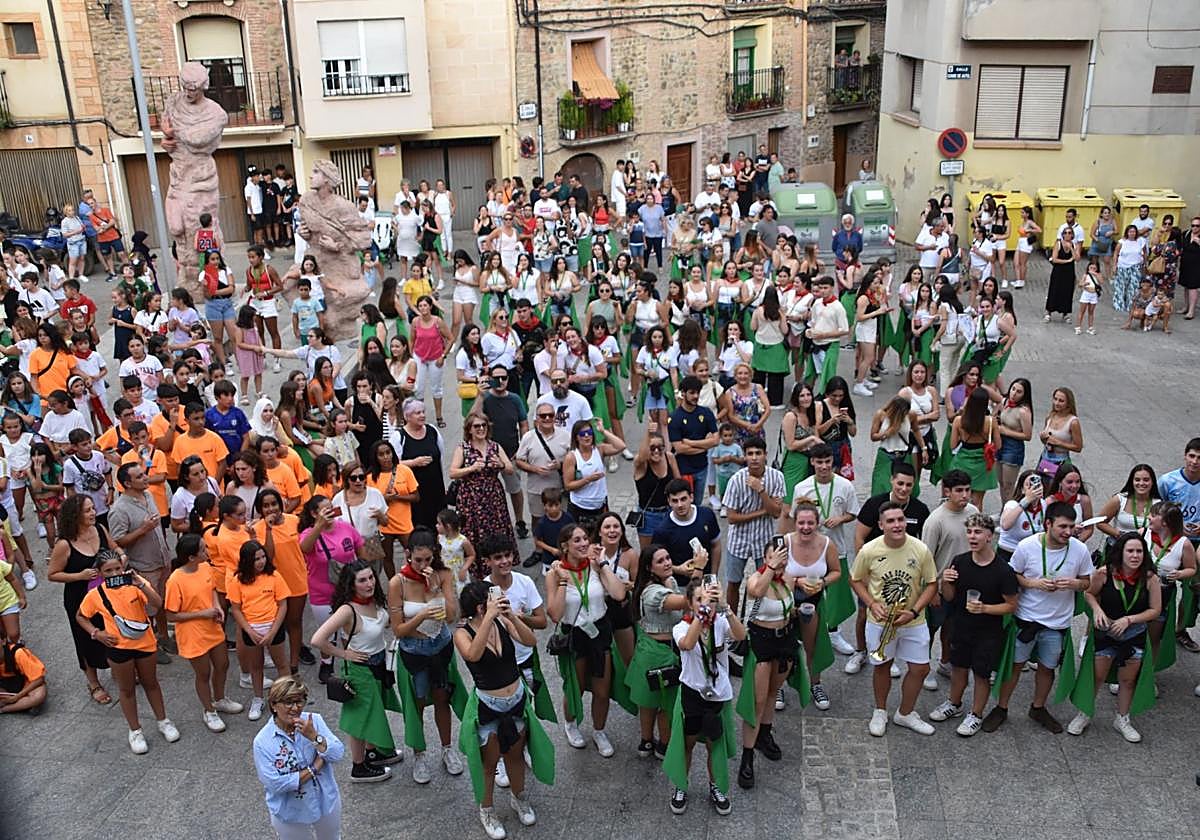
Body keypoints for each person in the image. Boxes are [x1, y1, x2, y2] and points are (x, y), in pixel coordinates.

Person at [984, 501, 1093, 734]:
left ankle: (1038, 707)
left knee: (1047, 667)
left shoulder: (1079, 550)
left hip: (1057, 622)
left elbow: (1087, 581)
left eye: (1071, 526)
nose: (1068, 532)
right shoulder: (1027, 546)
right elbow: (1013, 574)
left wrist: (1075, 584)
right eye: (1063, 526)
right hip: (1027, 618)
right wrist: (1034, 583)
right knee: (1015, 666)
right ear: (1048, 524)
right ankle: (1001, 708)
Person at [454, 580, 551, 838]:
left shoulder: (503, 621)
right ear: (479, 606)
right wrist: (488, 619)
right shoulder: (462, 632)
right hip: (489, 704)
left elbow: (530, 641)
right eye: (491, 599)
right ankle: (486, 809)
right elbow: (473, 655)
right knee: (490, 762)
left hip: (515, 700)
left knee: (515, 755)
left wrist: (512, 617)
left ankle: (518, 797)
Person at [77, 547, 181, 753]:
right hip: (118, 647)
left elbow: (157, 603)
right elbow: (80, 615)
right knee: (126, 689)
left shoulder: (136, 585)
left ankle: (163, 721)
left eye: (117, 569)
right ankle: (135, 730)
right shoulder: (95, 594)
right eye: (108, 571)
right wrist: (96, 633)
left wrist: (140, 583)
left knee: (151, 683)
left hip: (145, 643)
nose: (114, 574)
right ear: (100, 573)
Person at [850, 502, 939, 737]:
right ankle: (880, 711)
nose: (897, 525)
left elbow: (931, 584)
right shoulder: (869, 550)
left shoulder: (920, 549)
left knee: (920, 669)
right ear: (881, 525)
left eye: (900, 519)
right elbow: (856, 579)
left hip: (912, 621)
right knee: (882, 667)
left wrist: (914, 611)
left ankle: (905, 713)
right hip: (880, 622)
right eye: (890, 521)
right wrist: (871, 603)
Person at [926, 514, 1018, 736]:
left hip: (988, 631)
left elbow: (1011, 606)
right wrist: (945, 582)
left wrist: (985, 608)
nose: (972, 536)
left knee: (981, 674)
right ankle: (954, 704)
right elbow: (949, 597)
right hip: (961, 625)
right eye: (969, 532)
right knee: (958, 667)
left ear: (989, 536)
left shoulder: (1003, 570)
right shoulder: (960, 561)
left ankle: (976, 714)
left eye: (977, 532)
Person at [387, 528, 467, 784]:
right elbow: (398, 630)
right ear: (408, 554)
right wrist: (421, 616)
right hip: (414, 651)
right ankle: (419, 753)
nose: (423, 565)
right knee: (417, 703)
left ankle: (447, 748)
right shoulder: (397, 583)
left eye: (428, 560)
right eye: (417, 560)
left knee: (443, 698)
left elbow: (453, 616)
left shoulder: (442, 575)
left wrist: (435, 591)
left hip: (440, 645)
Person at [311, 560, 402, 783]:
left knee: (373, 711)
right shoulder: (347, 610)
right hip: (360, 670)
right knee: (359, 718)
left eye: (371, 577)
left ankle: (374, 752)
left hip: (379, 665)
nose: (369, 583)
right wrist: (344, 654)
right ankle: (358, 766)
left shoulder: (374, 601)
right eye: (362, 580)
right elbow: (317, 640)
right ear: (351, 584)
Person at [544, 523, 628, 756]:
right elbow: (554, 614)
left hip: (599, 631)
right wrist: (562, 581)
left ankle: (599, 731)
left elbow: (620, 594)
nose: (583, 544)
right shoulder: (555, 573)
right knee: (576, 687)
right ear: (565, 546)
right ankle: (570, 724)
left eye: (585, 539)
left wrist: (602, 564)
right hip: (574, 634)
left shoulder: (595, 565)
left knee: (602, 689)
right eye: (577, 540)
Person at [664, 577, 745, 816]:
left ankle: (715, 786)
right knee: (687, 743)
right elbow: (688, 644)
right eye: (698, 599)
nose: (704, 603)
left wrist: (726, 608)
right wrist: (701, 617)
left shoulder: (719, 623)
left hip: (717, 695)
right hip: (692, 693)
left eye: (706, 598)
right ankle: (681, 785)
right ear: (689, 604)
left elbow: (740, 636)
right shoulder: (681, 627)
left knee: (714, 743)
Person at [848, 463, 931, 675]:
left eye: (909, 485)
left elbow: (922, 542)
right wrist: (864, 572)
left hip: (903, 573)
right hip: (875, 569)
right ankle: (861, 651)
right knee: (865, 612)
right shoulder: (874, 504)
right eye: (900, 483)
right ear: (892, 481)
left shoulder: (920, 510)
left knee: (896, 613)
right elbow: (859, 537)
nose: (903, 488)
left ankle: (888, 653)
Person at [253, 675, 346, 840]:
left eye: (299, 702)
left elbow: (338, 753)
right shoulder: (263, 741)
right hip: (290, 810)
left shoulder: (314, 722)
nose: (295, 708)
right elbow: (277, 784)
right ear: (274, 705)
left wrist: (314, 737)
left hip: (325, 799)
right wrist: (315, 766)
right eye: (288, 702)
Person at [108, 462, 173, 662]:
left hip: (162, 558)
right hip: (144, 565)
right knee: (148, 608)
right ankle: (151, 643)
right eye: (140, 476)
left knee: (162, 601)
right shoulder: (119, 509)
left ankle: (164, 636)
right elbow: (117, 541)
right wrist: (142, 530)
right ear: (127, 483)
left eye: (144, 474)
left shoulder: (148, 495)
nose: (146, 478)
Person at [919, 470, 979, 685]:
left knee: (953, 629)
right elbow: (926, 558)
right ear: (947, 491)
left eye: (967, 490)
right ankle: (923, 667)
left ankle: (945, 663)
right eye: (959, 491)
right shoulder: (935, 521)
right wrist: (932, 588)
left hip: (964, 586)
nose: (965, 495)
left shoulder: (973, 512)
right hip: (941, 587)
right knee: (931, 628)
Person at [720, 436, 784, 614]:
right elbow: (732, 518)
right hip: (738, 540)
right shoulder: (736, 480)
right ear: (745, 456)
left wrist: (761, 490)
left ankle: (760, 619)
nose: (754, 458)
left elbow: (777, 513)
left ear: (765, 455)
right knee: (733, 583)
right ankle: (731, 622)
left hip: (764, 541)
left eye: (758, 453)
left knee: (766, 581)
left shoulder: (776, 477)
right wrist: (764, 511)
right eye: (750, 454)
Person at [652, 478, 723, 584]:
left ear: (691, 497)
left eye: (683, 499)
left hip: (705, 581)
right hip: (679, 585)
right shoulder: (662, 530)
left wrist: (712, 577)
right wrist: (678, 569)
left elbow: (716, 546)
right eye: (675, 501)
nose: (680, 505)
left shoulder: (707, 515)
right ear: (669, 502)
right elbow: (655, 563)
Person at [667, 375, 719, 496]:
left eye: (697, 392)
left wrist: (690, 443)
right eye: (692, 393)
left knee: (698, 502)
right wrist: (706, 445)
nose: (696, 396)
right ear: (683, 393)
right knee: (686, 503)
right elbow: (679, 448)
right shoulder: (675, 418)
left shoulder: (706, 413)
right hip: (683, 470)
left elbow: (716, 440)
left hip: (702, 467)